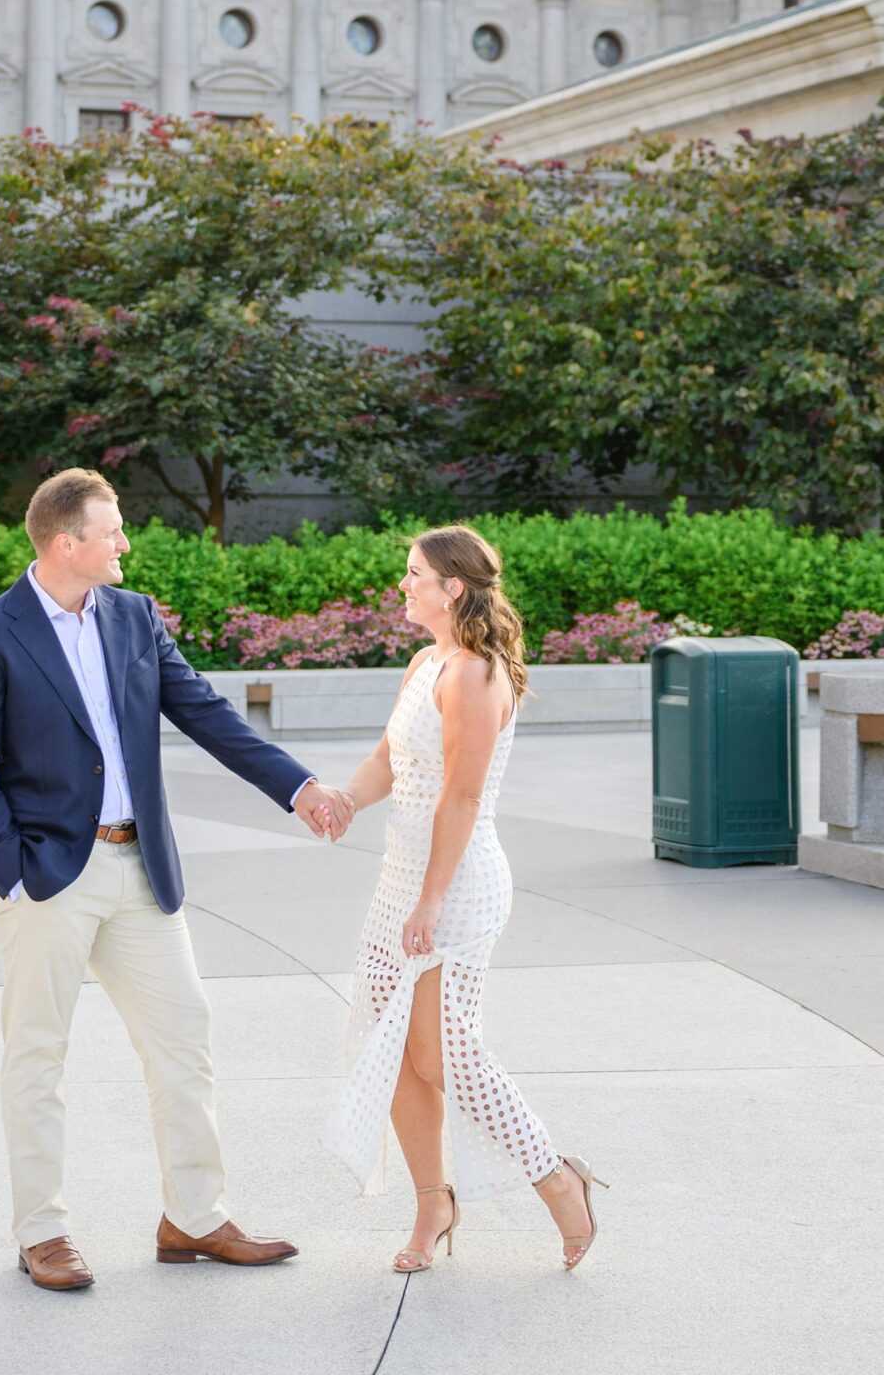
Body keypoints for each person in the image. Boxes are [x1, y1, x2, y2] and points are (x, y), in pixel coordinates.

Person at [0, 465, 354, 1291]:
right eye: (113, 529)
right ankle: (42, 1233)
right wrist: (13, 876)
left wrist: (298, 787)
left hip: (141, 870)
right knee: (37, 1058)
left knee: (184, 1041)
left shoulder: (133, 617)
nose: (126, 542)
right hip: (49, 877)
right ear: (67, 544)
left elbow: (203, 711)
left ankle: (193, 1219)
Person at [320, 525, 608, 1271]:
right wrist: (345, 801)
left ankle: (557, 1179)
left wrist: (431, 900)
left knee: (444, 1055)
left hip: (455, 887)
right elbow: (392, 759)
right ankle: (431, 1204)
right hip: (400, 884)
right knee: (399, 1058)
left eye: (414, 574)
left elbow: (463, 794)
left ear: (452, 588)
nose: (403, 585)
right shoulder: (425, 662)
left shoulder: (475, 675)